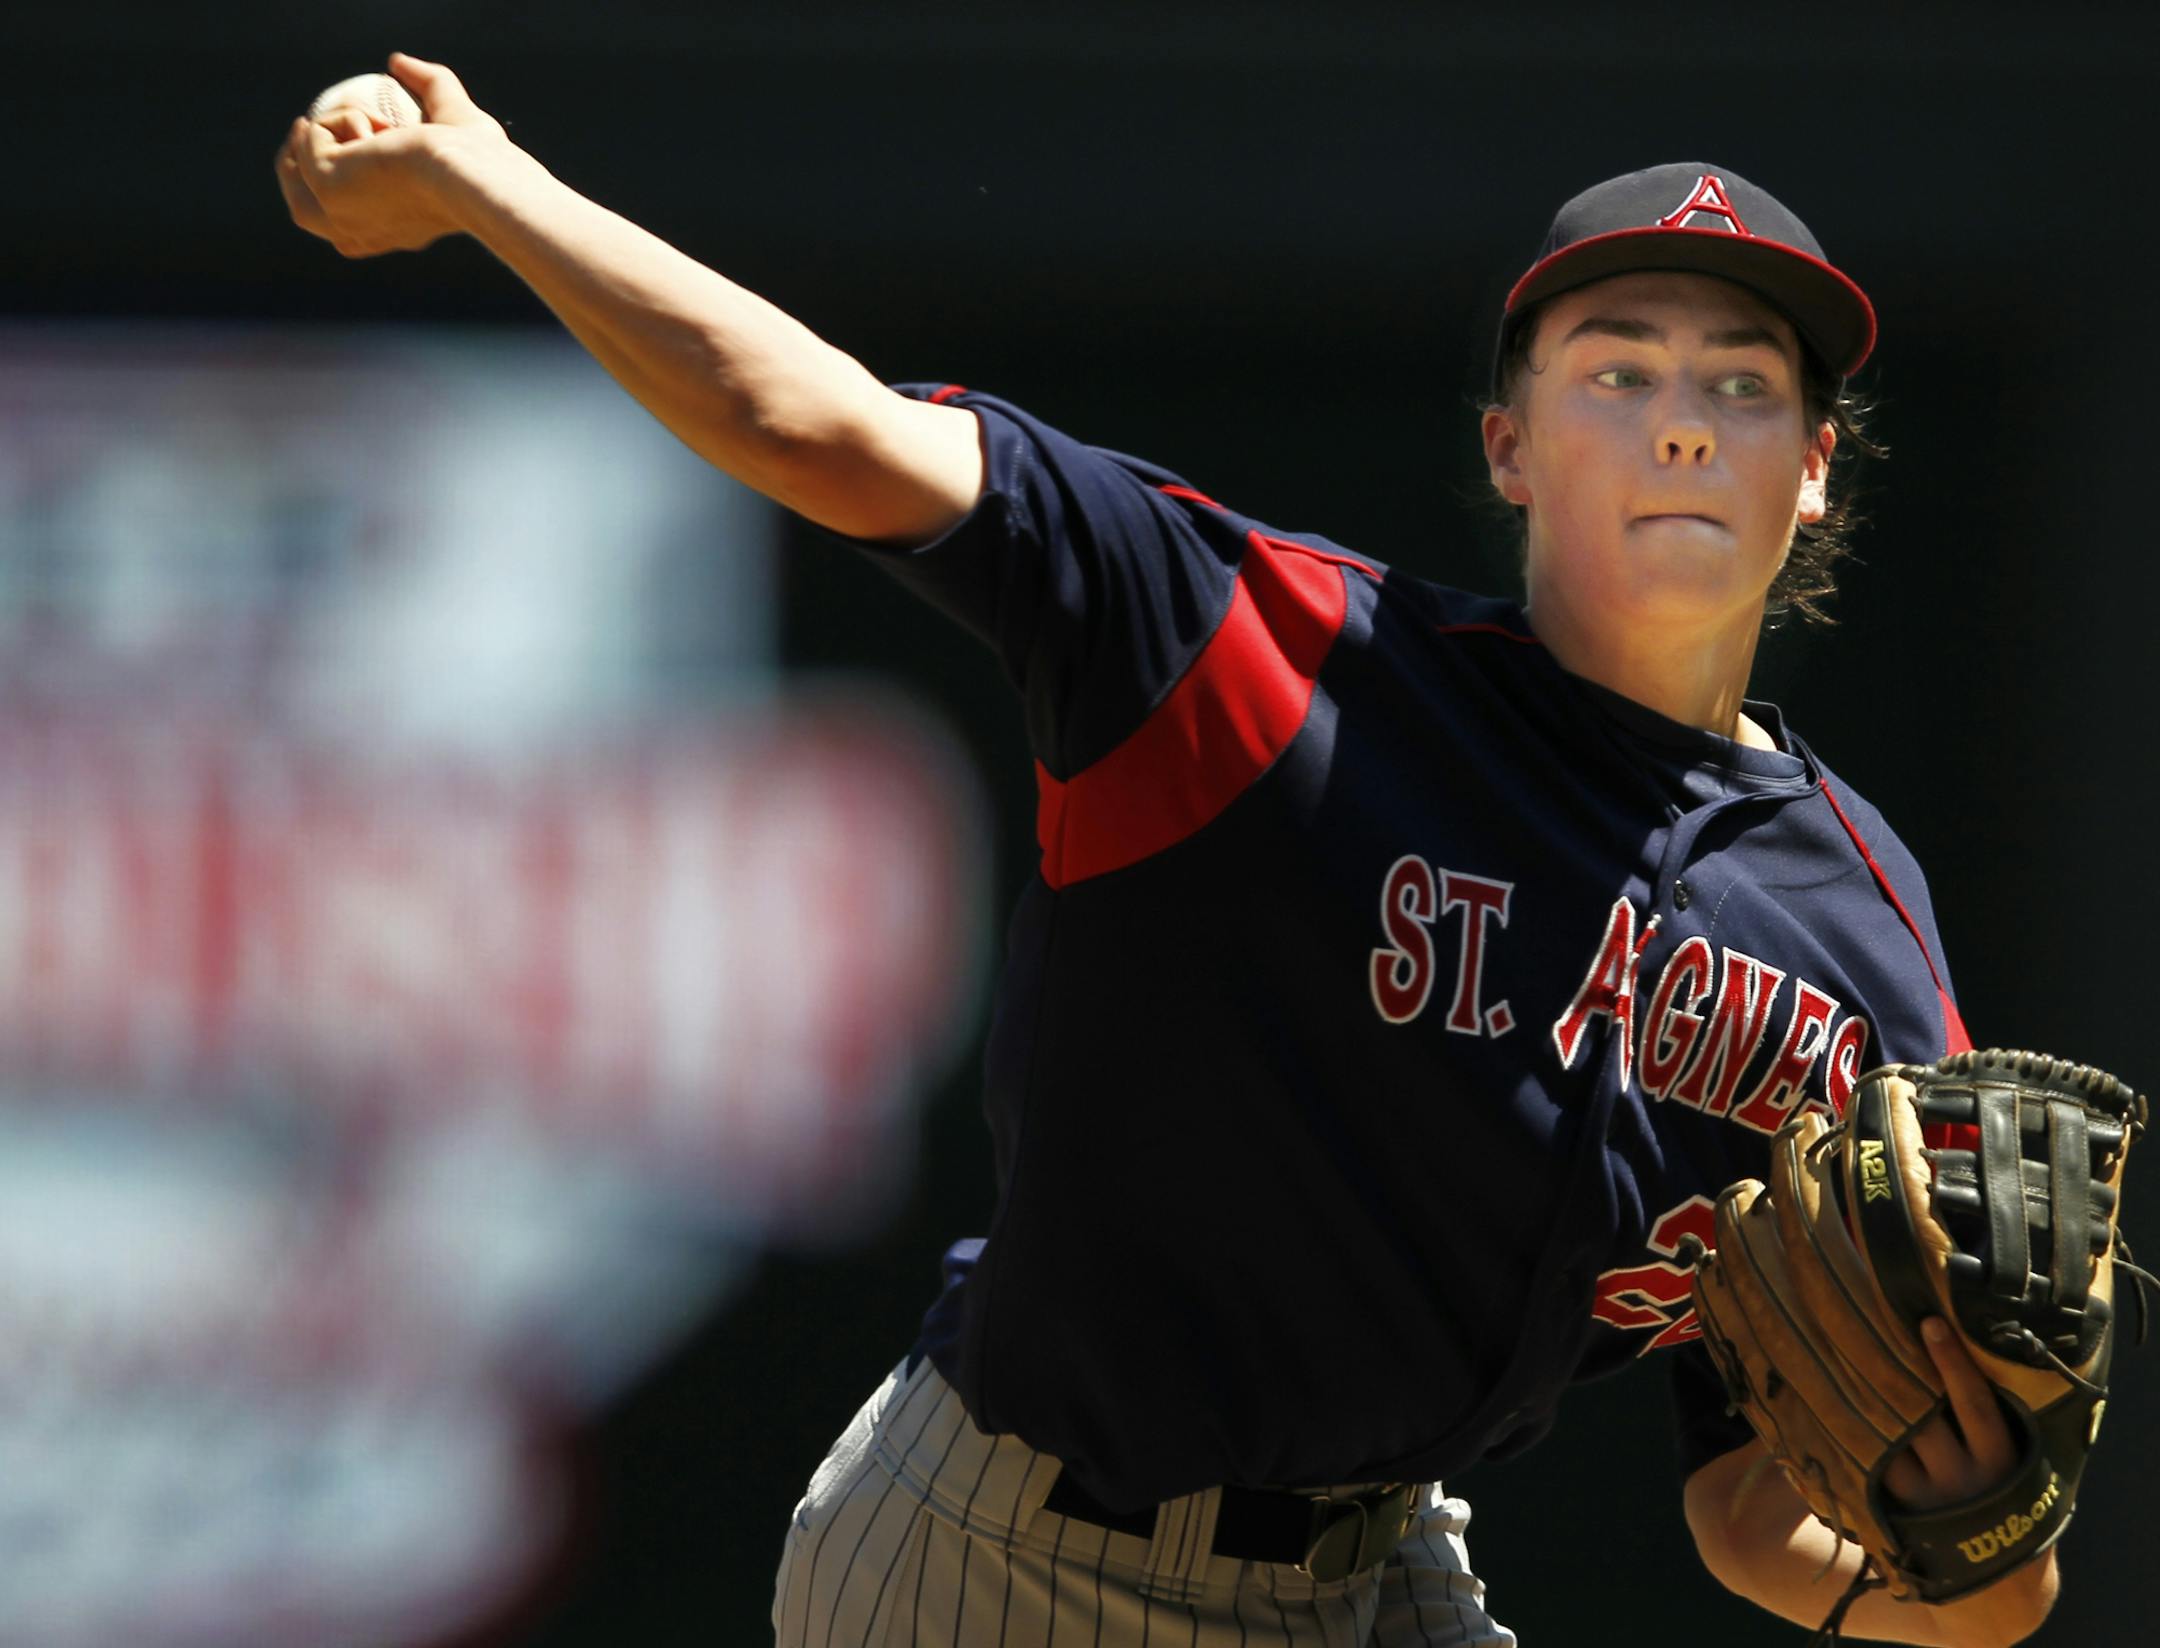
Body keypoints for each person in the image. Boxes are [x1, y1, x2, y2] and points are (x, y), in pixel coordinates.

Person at [277, 57, 2062, 1647]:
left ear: (1815, 468)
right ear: (1510, 449)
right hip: (1015, 1566)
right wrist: (484, 180)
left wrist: (1964, 1548)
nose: (1685, 417)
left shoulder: (1852, 927)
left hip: (1379, 1559)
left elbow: (1759, 1511)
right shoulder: (1268, 652)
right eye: (1620, 368)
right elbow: (816, 423)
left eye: (1744, 384)